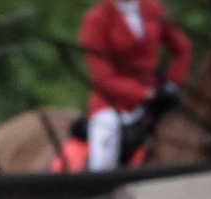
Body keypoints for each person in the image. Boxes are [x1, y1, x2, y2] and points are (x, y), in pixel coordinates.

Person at [80, 0, 192, 174]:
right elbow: (103, 78)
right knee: (103, 161)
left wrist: (172, 85)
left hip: (154, 101)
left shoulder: (153, 8)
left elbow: (182, 49)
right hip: (113, 105)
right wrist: (146, 94)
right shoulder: (96, 19)